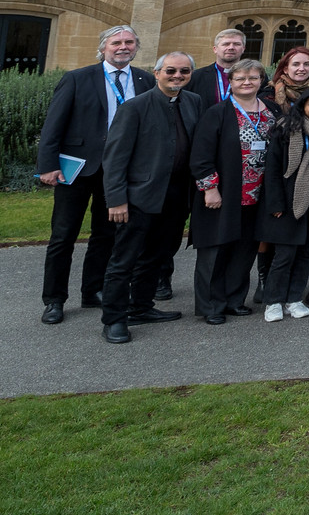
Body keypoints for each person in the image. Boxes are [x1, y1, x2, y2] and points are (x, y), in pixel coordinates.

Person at [35, 24, 151, 325]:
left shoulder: (145, 80)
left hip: (119, 171)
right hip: (77, 168)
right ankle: (54, 300)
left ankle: (93, 290)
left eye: (129, 42)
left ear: (136, 47)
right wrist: (47, 165)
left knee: (106, 234)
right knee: (63, 236)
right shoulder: (78, 78)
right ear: (103, 48)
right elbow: (53, 124)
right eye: (116, 42)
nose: (123, 47)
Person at [97, 50, 202, 343]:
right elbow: (115, 158)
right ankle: (114, 319)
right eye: (171, 71)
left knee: (157, 255)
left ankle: (140, 307)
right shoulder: (135, 107)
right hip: (138, 197)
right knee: (124, 260)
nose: (177, 76)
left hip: (176, 197)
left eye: (184, 71)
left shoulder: (193, 102)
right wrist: (116, 199)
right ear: (157, 73)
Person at [188, 58, 269, 324]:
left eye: (253, 77)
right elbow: (201, 155)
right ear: (231, 82)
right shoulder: (217, 112)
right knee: (216, 250)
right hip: (224, 194)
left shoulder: (271, 111)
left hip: (258, 195)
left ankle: (235, 300)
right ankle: (211, 306)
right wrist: (210, 188)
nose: (247, 82)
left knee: (244, 251)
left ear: (261, 81)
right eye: (240, 78)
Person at [256, 89, 309, 325]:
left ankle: (294, 299)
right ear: (302, 106)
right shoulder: (285, 128)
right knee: (284, 255)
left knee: (306, 255)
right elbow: (273, 168)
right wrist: (275, 202)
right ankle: (273, 301)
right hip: (288, 201)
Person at [188, 28, 248, 105]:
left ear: (243, 49)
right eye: (226, 44)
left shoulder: (255, 78)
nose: (231, 47)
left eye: (236, 44)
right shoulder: (196, 76)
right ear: (215, 49)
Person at [272, 46, 309, 113]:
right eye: (296, 64)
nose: (301, 69)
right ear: (286, 69)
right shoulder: (271, 93)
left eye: (306, 64)